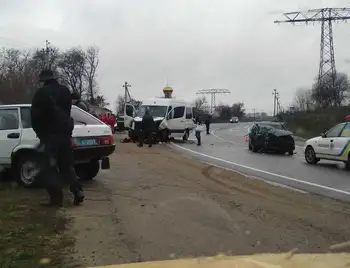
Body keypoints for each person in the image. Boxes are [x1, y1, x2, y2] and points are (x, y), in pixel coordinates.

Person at [30, 69, 85, 207]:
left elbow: (35, 116)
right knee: (66, 166)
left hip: (49, 136)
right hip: (65, 135)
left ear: (43, 80)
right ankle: (77, 191)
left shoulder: (41, 93)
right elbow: (67, 112)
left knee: (48, 167)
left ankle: (56, 199)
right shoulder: (65, 91)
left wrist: (39, 133)